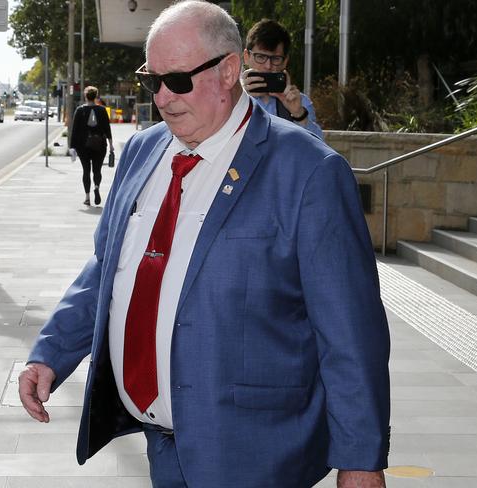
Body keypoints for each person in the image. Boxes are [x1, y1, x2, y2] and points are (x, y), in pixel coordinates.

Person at [19, 2, 389, 487]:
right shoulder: (142, 150)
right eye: (152, 81)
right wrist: (51, 351)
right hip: (162, 448)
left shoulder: (308, 171)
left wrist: (360, 461)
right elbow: (109, 267)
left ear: (230, 69)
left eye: (177, 80)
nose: (163, 98)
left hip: (258, 456)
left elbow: (350, 334)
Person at [241, 18, 324, 139]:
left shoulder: (300, 103)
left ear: (285, 61)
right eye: (260, 57)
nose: (268, 66)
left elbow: (319, 151)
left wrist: (298, 114)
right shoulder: (227, 99)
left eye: (275, 59)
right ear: (246, 57)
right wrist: (239, 98)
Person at [69, 86, 113, 206]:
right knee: (97, 169)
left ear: (85, 96)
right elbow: (107, 128)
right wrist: (111, 144)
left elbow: (74, 130)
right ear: (96, 96)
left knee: (86, 170)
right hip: (99, 145)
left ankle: (87, 197)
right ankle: (97, 187)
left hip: (83, 146)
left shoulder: (79, 110)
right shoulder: (102, 110)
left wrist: (72, 147)